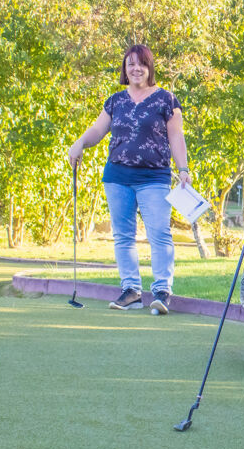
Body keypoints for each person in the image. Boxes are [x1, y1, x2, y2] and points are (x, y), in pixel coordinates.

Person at [68, 44, 190, 315]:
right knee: (123, 236)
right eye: (131, 63)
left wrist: (183, 168)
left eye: (142, 64)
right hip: (117, 176)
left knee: (159, 233)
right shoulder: (115, 101)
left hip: (154, 176)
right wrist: (79, 143)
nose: (136, 69)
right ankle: (131, 290)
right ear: (125, 68)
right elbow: (98, 130)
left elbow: (176, 137)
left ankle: (161, 291)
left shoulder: (166, 100)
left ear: (150, 68)